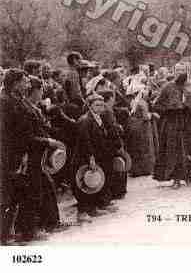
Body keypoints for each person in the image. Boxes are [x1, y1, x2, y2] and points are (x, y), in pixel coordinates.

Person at [1, 70, 65, 244]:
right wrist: (47, 141)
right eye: (24, 81)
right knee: (17, 196)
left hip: (25, 155)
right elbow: (17, 136)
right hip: (16, 157)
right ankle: (20, 234)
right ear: (15, 83)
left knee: (24, 195)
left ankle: (22, 232)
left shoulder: (16, 100)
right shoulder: (5, 102)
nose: (27, 85)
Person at [153, 63, 191, 189]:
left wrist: (190, 105)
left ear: (186, 72)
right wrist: (170, 108)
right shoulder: (167, 87)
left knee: (188, 149)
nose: (180, 72)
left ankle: (187, 174)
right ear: (174, 72)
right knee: (174, 150)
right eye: (178, 70)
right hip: (172, 123)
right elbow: (157, 105)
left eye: (182, 70)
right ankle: (176, 178)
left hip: (188, 122)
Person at [72, 93, 118, 223]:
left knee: (93, 182)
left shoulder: (98, 118)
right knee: (85, 184)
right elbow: (85, 141)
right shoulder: (85, 120)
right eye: (97, 105)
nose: (100, 107)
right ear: (89, 106)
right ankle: (82, 212)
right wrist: (90, 157)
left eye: (102, 105)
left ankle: (93, 208)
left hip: (96, 155)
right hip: (84, 157)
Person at [125, 84, 159, 177]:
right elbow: (145, 116)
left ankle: (136, 169)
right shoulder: (142, 103)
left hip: (134, 126)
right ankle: (146, 169)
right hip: (143, 127)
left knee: (137, 148)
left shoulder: (134, 102)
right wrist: (153, 115)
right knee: (145, 148)